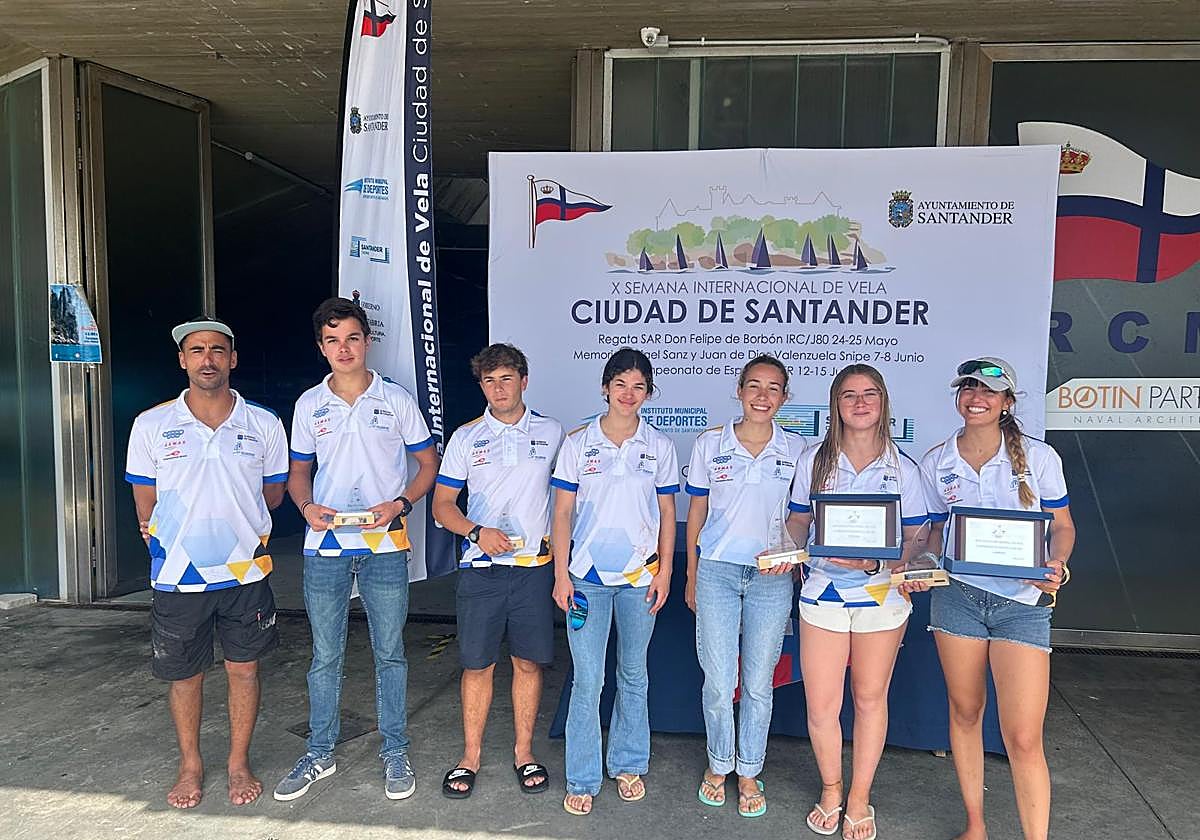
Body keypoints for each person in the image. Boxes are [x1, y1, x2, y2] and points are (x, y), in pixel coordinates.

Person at [273, 297, 439, 802]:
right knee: (325, 655)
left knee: (390, 653)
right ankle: (319, 752)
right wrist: (306, 507)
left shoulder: (396, 399)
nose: (343, 349)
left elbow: (428, 464)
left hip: (384, 544)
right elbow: (298, 473)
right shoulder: (309, 404)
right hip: (326, 545)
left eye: (351, 338)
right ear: (321, 348)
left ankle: (395, 750)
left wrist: (401, 504)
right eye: (332, 340)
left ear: (367, 341)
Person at [125, 316, 289, 809]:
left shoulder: (263, 423)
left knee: (244, 670)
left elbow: (273, 494)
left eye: (217, 350)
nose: (208, 359)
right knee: (185, 675)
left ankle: (238, 763)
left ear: (232, 359)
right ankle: (191, 765)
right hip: (179, 575)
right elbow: (145, 501)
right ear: (182, 360)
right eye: (196, 350)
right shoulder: (151, 425)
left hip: (245, 571)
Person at [917, 357, 1074, 840]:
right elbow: (933, 531)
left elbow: (1063, 527)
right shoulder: (938, 460)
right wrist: (921, 562)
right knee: (965, 713)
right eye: (968, 388)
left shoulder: (1039, 458)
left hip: (1022, 605)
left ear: (1007, 401)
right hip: (958, 598)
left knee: (1023, 737)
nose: (976, 398)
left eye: (988, 390)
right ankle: (975, 826)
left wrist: (1057, 564)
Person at [787, 364, 928, 840]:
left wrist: (879, 562)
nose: (860, 402)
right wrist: (789, 548)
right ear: (836, 405)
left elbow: (918, 534)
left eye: (870, 394)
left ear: (883, 401)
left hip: (881, 595)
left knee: (869, 699)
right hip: (823, 593)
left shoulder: (903, 467)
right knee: (822, 705)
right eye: (849, 395)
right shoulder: (814, 460)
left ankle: (860, 797)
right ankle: (832, 788)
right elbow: (799, 521)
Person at [550, 347, 679, 816]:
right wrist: (560, 574)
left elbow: (667, 512)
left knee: (633, 673)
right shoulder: (578, 443)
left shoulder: (659, 446)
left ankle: (627, 763)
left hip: (640, 577)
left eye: (639, 386)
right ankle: (582, 776)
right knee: (588, 679)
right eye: (620, 384)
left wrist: (665, 571)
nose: (629, 393)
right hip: (585, 579)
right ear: (605, 388)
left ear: (648, 393)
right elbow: (561, 513)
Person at [431, 343, 563, 799]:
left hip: (533, 569)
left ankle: (524, 753)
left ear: (524, 381)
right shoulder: (466, 437)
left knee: (527, 662)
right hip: (481, 570)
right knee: (477, 665)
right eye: (489, 381)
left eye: (506, 379)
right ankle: (470, 756)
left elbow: (570, 498)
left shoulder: (552, 432)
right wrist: (476, 531)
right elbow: (442, 505)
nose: (498, 389)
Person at [684, 355, 806, 818]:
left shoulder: (797, 448)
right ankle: (719, 764)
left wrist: (790, 555)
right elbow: (697, 511)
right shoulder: (709, 443)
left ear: (785, 397)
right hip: (716, 570)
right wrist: (692, 574)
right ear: (739, 391)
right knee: (719, 681)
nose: (762, 396)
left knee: (757, 683)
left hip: (771, 578)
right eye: (754, 385)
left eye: (773, 388)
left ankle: (750, 769)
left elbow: (802, 516)